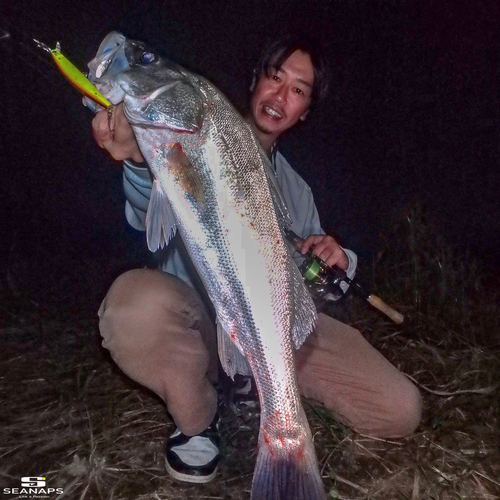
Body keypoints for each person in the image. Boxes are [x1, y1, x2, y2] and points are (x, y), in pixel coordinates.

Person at [92, 35, 422, 484]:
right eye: (275, 76)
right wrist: (134, 159)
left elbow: (320, 288)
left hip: (274, 338)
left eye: (299, 89)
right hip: (200, 326)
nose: (281, 95)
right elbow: (148, 202)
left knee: (400, 409)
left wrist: (340, 260)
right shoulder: (188, 136)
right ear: (255, 81)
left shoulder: (298, 191)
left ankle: (270, 404)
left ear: (305, 111)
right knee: (133, 306)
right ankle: (197, 419)